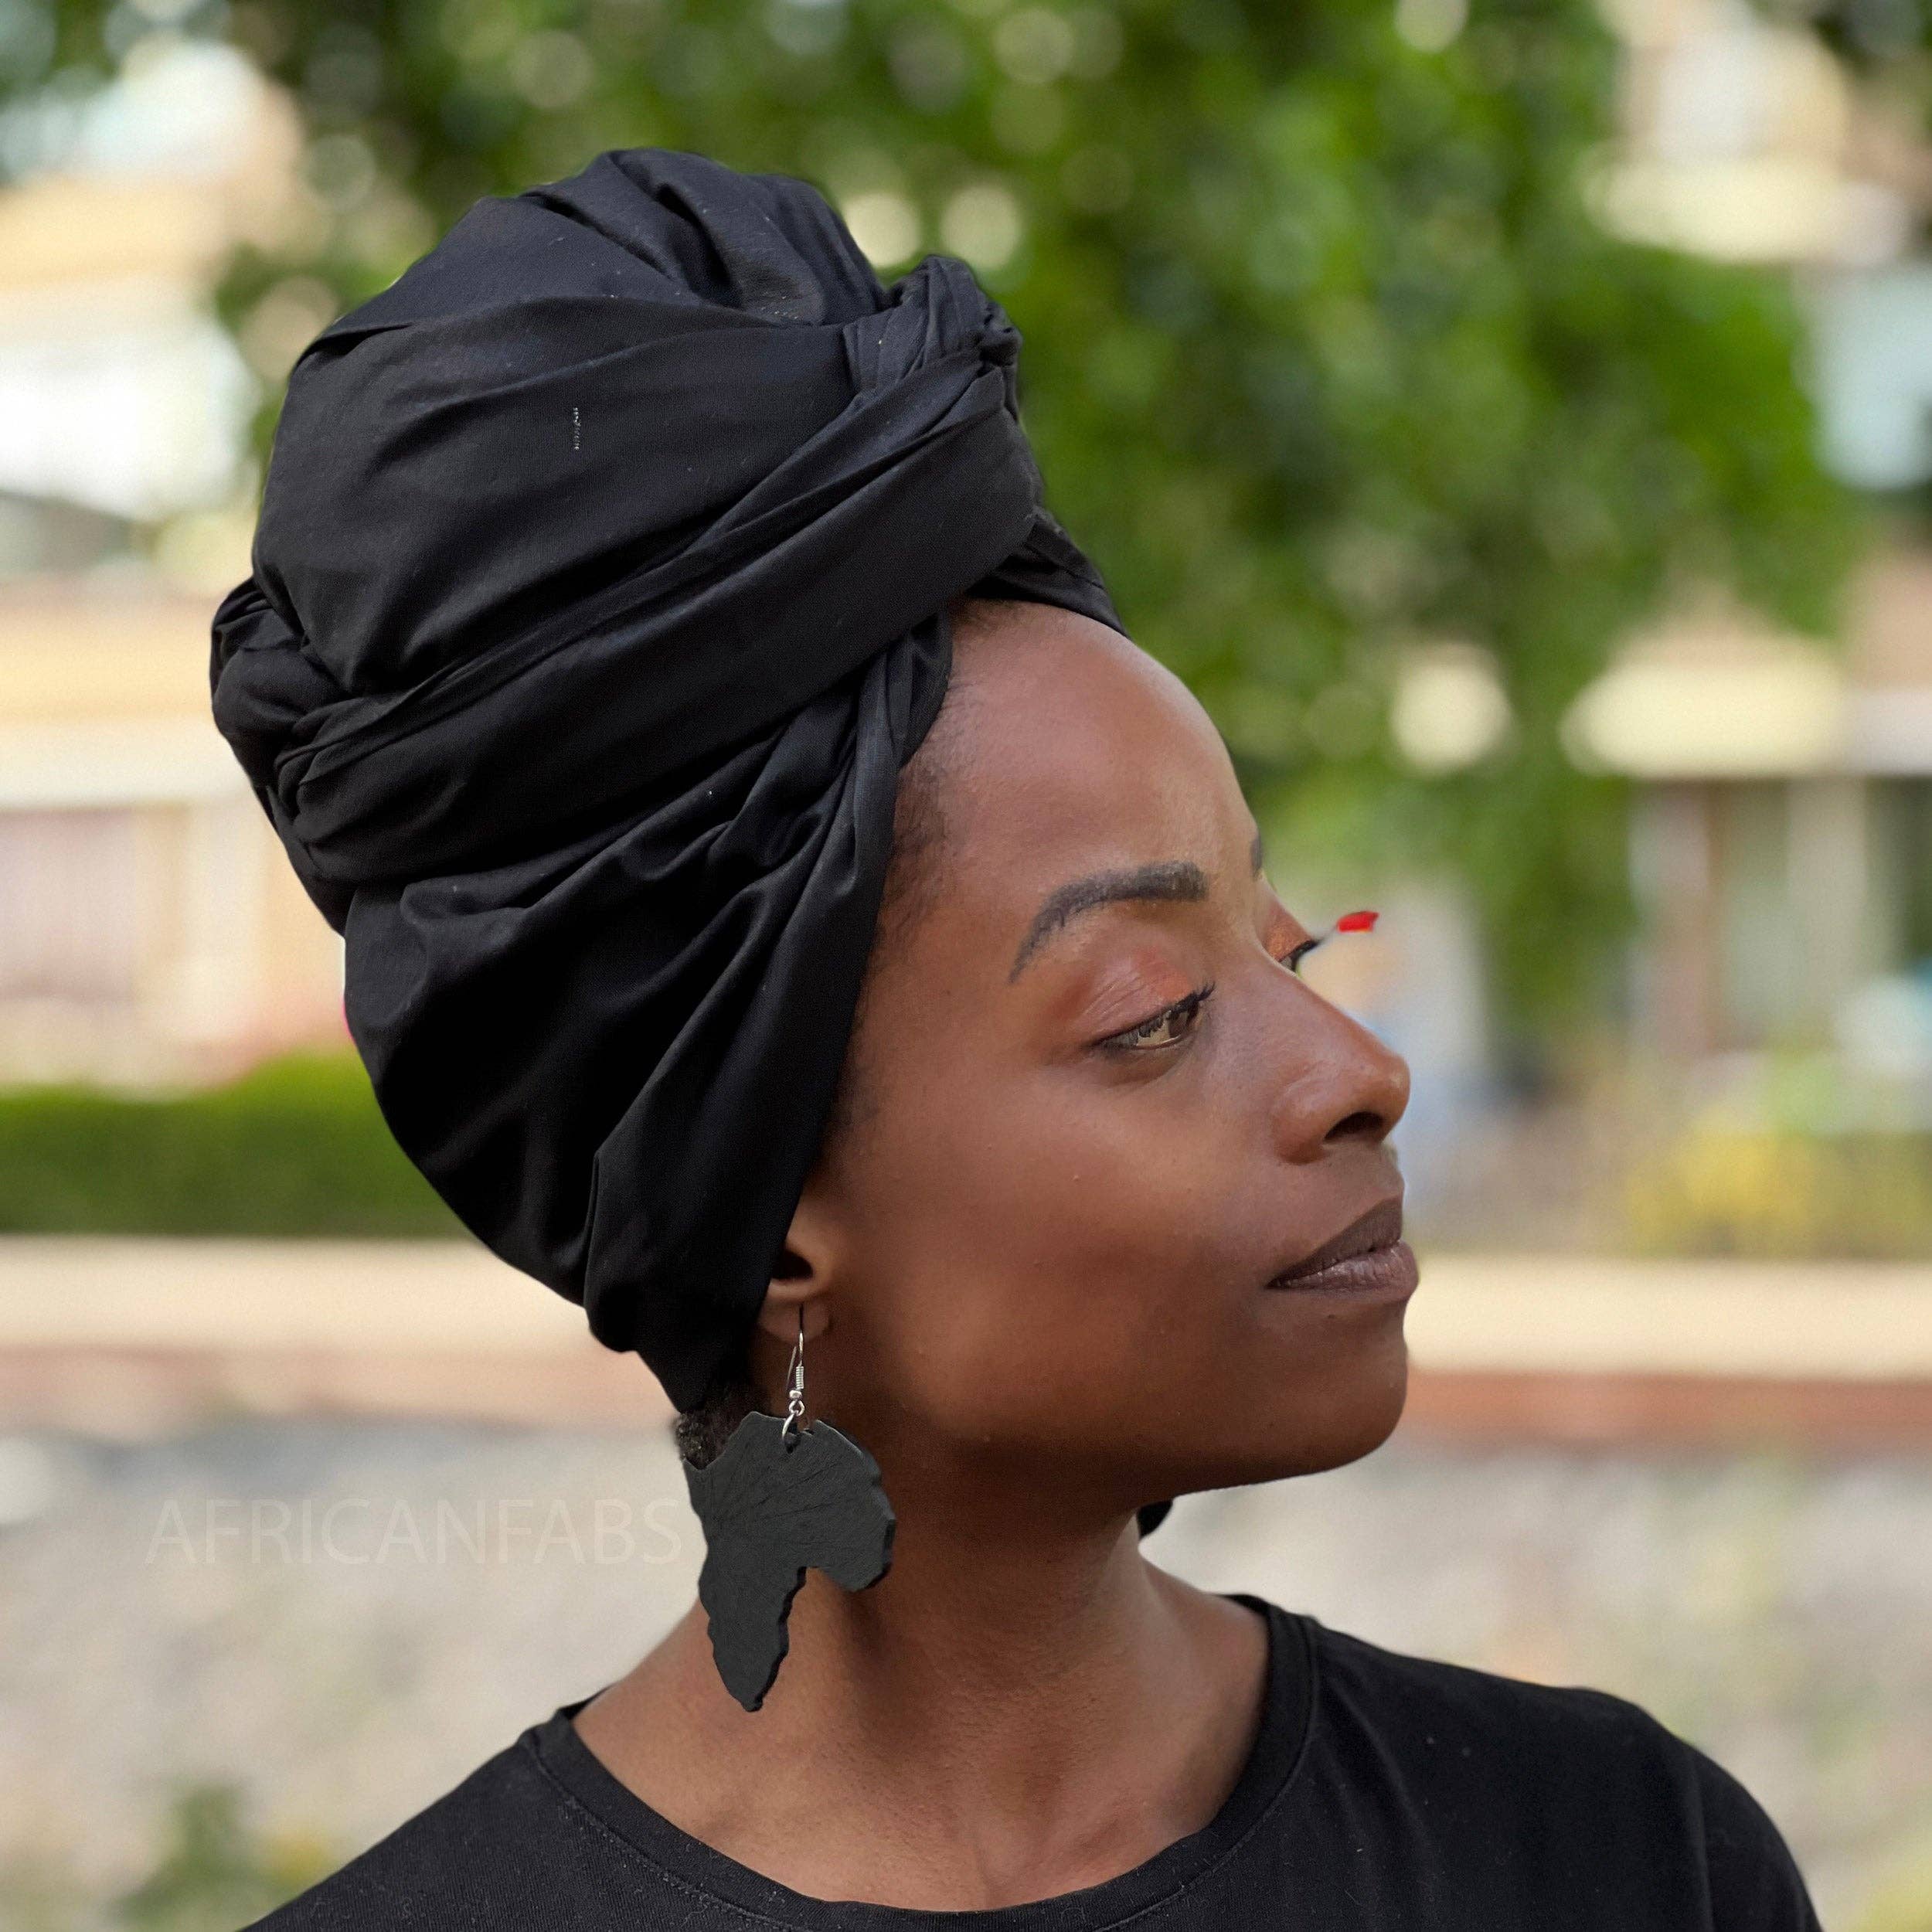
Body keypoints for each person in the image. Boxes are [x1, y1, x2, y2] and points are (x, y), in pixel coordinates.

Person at [213, 148, 1821, 1929]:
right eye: (1155, 1012)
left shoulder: (1619, 1861)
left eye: (1285, 943)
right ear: (771, 1213)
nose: (1362, 1074)